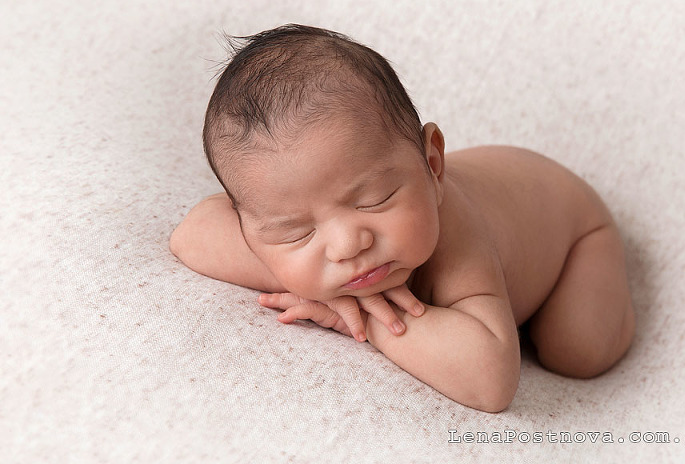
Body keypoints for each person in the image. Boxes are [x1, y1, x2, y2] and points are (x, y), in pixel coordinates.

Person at [169, 24, 635, 412]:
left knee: (576, 349)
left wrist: (366, 319)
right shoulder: (279, 220)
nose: (346, 245)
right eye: (297, 231)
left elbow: (490, 381)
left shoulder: (457, 236)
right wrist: (319, 284)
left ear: (432, 166)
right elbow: (191, 236)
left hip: (570, 222)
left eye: (374, 199)